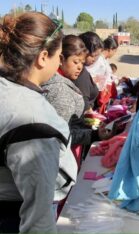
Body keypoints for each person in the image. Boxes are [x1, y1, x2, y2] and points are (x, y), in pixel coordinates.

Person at [0, 12, 77, 233]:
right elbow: (37, 218)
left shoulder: (8, 88)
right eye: (59, 56)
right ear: (43, 57)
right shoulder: (32, 120)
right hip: (14, 217)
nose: (59, 63)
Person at [43, 35, 113, 157]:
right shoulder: (59, 90)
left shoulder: (65, 80)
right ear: (61, 59)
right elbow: (62, 136)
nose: (80, 67)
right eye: (75, 62)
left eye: (82, 62)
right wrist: (94, 135)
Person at [86, 36, 118, 113]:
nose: (114, 54)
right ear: (111, 49)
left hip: (99, 94)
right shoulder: (98, 60)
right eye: (115, 51)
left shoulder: (104, 60)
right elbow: (90, 74)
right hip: (94, 96)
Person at [73, 32, 102, 113]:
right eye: (93, 55)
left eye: (97, 56)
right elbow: (84, 103)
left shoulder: (83, 70)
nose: (95, 59)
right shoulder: (79, 72)